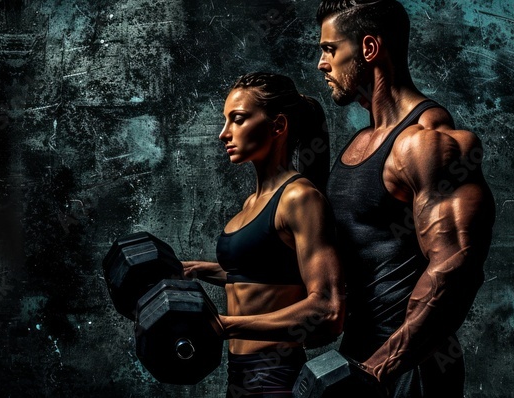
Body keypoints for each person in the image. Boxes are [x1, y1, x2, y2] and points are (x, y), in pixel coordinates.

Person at [314, 0, 495, 396]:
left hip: (411, 369)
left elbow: (456, 267)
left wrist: (379, 370)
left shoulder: (426, 143)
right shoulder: (360, 142)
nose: (321, 64)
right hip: (354, 360)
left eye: (330, 49)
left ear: (368, 48)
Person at [182, 72, 345, 398]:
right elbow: (263, 276)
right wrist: (196, 269)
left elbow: (328, 307)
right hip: (238, 376)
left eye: (237, 120)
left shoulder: (299, 198)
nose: (223, 133)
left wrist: (227, 325)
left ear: (278, 126)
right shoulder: (252, 203)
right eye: (225, 120)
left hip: (276, 379)